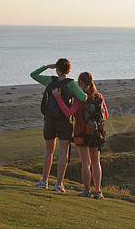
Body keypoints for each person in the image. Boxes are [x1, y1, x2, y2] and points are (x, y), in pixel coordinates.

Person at [30, 58, 87, 193]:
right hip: (64, 121)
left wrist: (46, 66)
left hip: (50, 120)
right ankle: (59, 184)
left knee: (48, 151)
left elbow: (33, 75)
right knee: (62, 153)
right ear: (68, 70)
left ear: (58, 69)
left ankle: (44, 181)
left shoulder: (50, 80)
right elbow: (83, 98)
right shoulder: (71, 84)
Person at [52, 72, 108, 199]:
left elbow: (68, 112)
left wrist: (58, 98)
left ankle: (87, 191)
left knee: (85, 163)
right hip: (96, 133)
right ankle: (98, 191)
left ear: (80, 83)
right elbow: (106, 115)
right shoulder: (99, 97)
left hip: (81, 133)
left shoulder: (80, 99)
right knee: (96, 162)